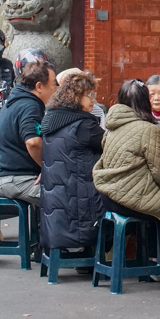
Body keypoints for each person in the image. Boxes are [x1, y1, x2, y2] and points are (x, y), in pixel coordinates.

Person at [38, 70, 107, 256]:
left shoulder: (51, 119)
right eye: (89, 95)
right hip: (80, 209)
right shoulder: (84, 126)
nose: (94, 100)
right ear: (76, 96)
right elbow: (112, 146)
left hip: (56, 210)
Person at [94, 79, 160, 227]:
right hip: (132, 200)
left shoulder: (110, 128)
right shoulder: (148, 129)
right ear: (145, 100)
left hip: (108, 196)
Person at [0, 60, 58, 206]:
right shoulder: (30, 105)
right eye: (54, 84)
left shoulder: (13, 101)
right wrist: (47, 168)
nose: (56, 89)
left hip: (3, 177)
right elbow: (33, 142)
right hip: (12, 179)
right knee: (66, 197)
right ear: (39, 86)